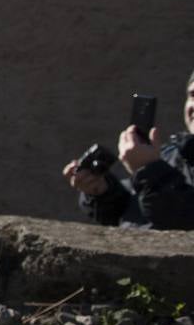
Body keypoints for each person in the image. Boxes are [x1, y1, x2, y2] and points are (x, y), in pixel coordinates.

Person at [63, 71, 194, 230]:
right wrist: (101, 190)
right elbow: (131, 210)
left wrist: (148, 170)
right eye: (192, 95)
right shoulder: (173, 154)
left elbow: (182, 219)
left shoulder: (156, 165)